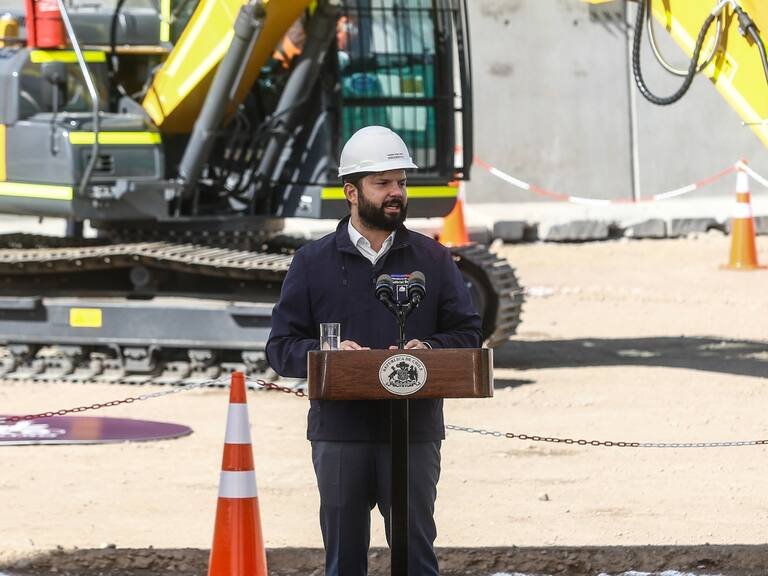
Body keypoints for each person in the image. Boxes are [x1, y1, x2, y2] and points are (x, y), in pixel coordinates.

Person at [265, 125, 482, 576]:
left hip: (414, 432)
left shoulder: (433, 259)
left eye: (401, 182)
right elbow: (281, 348)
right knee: (344, 559)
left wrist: (431, 348)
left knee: (415, 555)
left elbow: (467, 334)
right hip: (340, 432)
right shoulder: (313, 262)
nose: (396, 193)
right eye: (382, 183)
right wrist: (327, 356)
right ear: (351, 191)